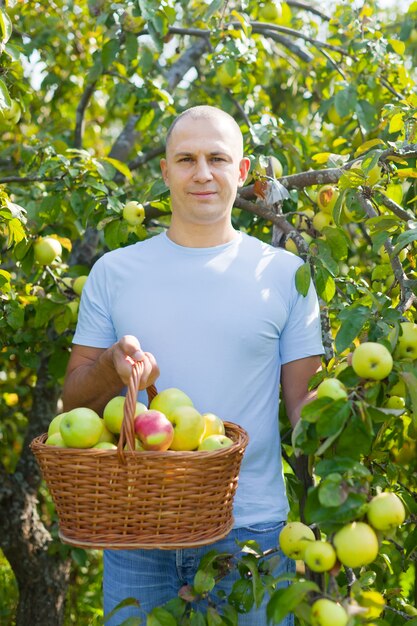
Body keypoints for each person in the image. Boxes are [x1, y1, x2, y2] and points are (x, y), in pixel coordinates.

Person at [62, 105, 324, 625]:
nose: (202, 173)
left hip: (251, 533)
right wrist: (113, 368)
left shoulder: (284, 273)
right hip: (137, 528)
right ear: (165, 172)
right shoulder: (115, 272)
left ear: (242, 172)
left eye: (216, 158)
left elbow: (306, 411)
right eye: (185, 159)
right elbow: (72, 403)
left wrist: (356, 407)